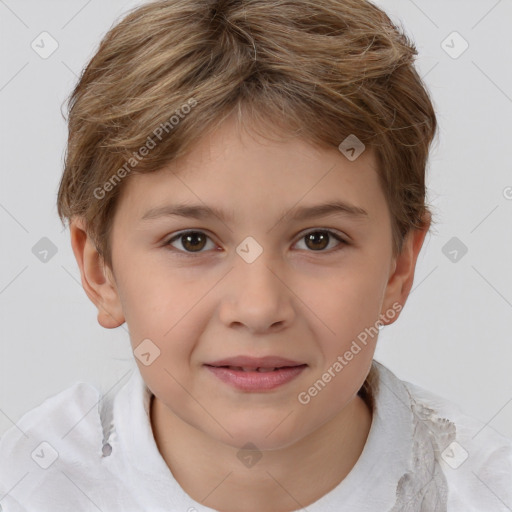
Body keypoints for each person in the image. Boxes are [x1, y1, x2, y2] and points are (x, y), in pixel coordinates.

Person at [0, 0, 510, 510]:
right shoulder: (29, 486)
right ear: (100, 271)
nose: (258, 308)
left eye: (319, 239)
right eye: (192, 241)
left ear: (400, 268)